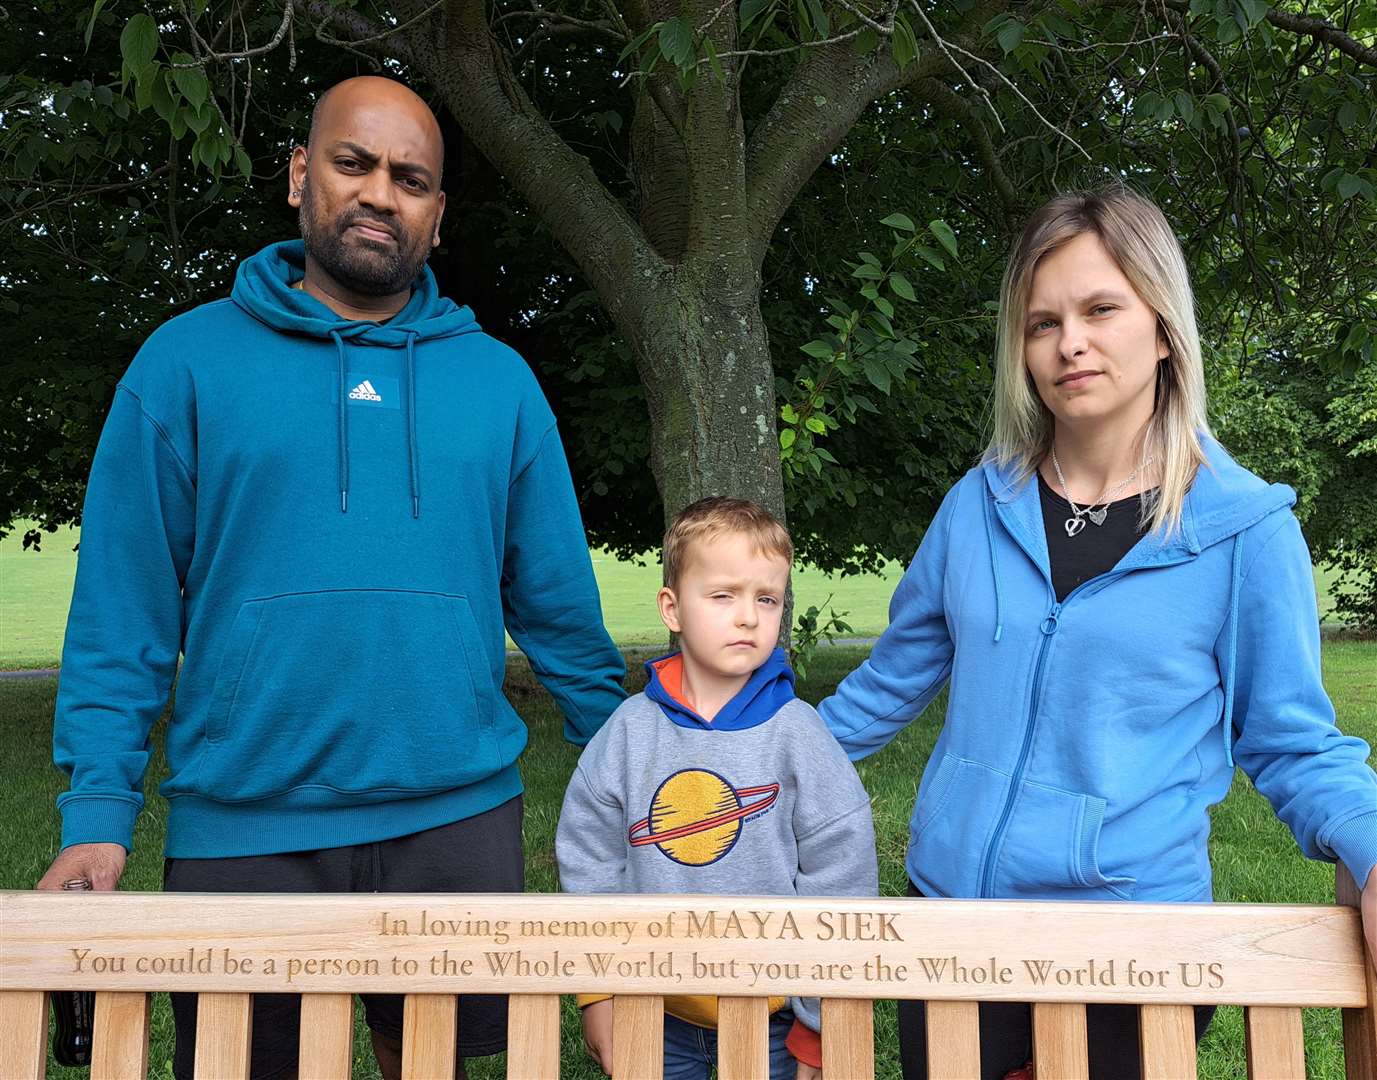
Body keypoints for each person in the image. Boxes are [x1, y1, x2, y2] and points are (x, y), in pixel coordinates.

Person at [36, 76, 626, 1080]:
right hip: (246, 819)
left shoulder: (498, 383)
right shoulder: (183, 366)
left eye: (411, 179)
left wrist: (636, 760)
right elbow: (121, 613)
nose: (380, 193)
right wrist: (99, 815)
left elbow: (559, 609)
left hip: (456, 813)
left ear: (438, 217)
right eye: (354, 163)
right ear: (303, 174)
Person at [818, 187, 1377, 1080]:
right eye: (1042, 322)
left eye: (1099, 309)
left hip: (1131, 947)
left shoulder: (1242, 530)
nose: (1068, 342)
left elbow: (1292, 741)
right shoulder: (975, 506)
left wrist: (1372, 845)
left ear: (1162, 328)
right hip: (951, 927)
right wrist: (742, 758)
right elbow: (882, 690)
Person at [556, 497, 878, 1079]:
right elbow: (590, 864)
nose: (749, 617)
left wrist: (820, 1026)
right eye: (723, 595)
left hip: (775, 1026)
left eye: (767, 598)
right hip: (653, 1014)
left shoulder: (798, 735)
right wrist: (597, 993)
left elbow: (844, 888)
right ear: (671, 608)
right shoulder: (628, 733)